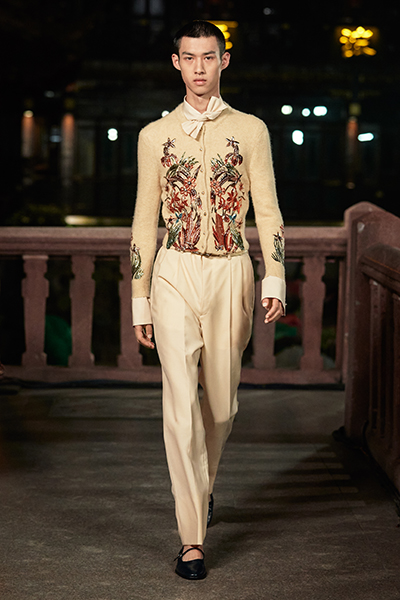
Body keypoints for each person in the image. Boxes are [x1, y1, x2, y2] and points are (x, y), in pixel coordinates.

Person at [130, 20, 285, 580]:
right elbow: (143, 221)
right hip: (173, 271)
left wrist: (274, 277)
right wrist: (140, 297)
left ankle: (202, 487)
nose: (199, 67)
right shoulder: (155, 135)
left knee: (221, 408)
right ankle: (191, 540)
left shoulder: (251, 130)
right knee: (179, 405)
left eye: (209, 57)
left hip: (231, 272)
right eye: (189, 57)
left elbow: (267, 209)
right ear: (176, 63)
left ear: (225, 60)